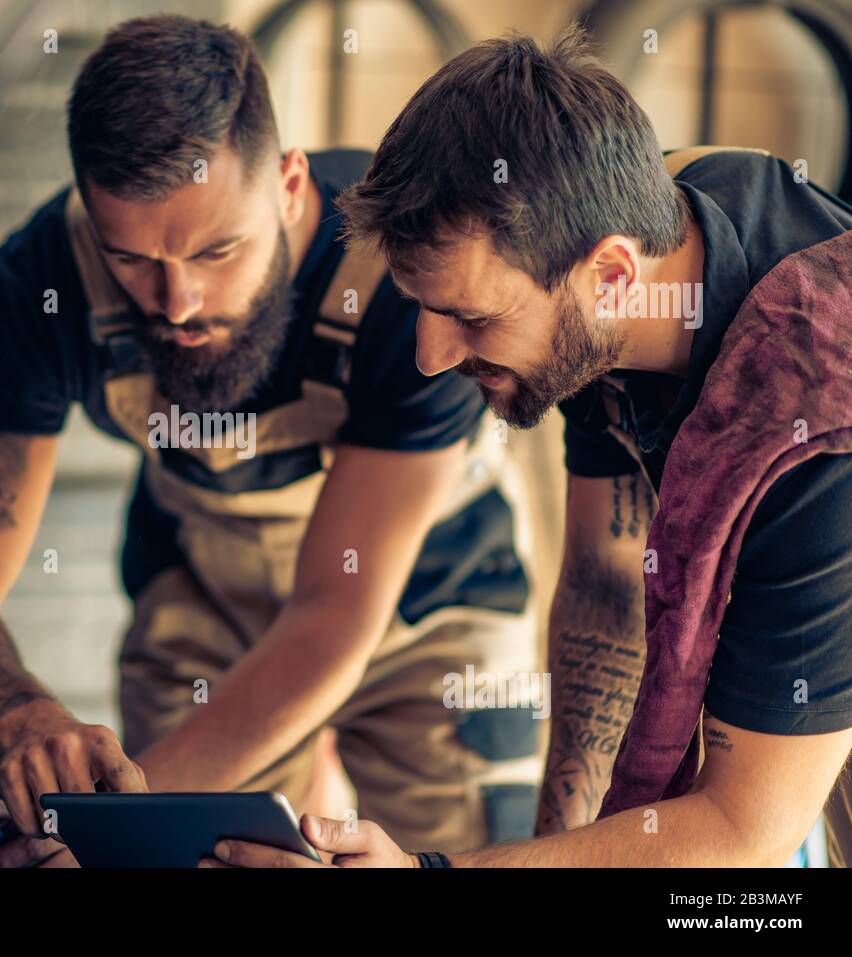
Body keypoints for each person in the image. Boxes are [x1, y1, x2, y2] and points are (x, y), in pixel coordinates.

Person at [0, 14, 542, 867]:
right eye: (130, 258)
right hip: (206, 586)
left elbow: (333, 614)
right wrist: (26, 717)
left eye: (218, 249)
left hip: (426, 602)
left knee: (459, 857)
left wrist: (102, 818)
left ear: (287, 182)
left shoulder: (398, 279)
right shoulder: (40, 284)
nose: (176, 301)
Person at [204, 25, 852, 869]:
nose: (430, 357)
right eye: (423, 309)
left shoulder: (816, 421)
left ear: (613, 275)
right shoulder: (642, 240)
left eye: (472, 318)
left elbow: (740, 830)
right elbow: (605, 581)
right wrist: (558, 844)